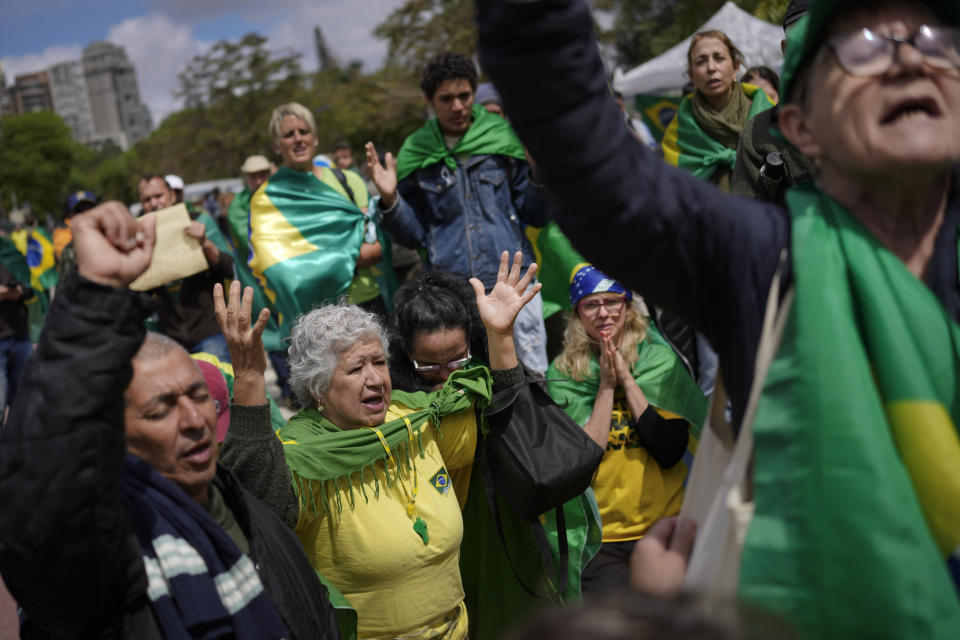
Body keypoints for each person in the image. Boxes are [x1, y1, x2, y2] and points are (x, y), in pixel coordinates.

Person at [478, 0, 960, 635]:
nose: (908, 61)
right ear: (800, 127)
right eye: (865, 47)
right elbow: (590, 158)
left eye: (933, 39)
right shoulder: (764, 260)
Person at [0, 202, 339, 639]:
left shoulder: (241, 504)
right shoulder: (107, 554)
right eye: (160, 409)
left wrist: (251, 377)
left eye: (199, 396)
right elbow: (35, 499)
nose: (194, 419)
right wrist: (94, 298)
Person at [221, 251, 547, 639]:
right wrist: (249, 379)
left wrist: (499, 335)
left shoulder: (414, 419)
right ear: (318, 388)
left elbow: (508, 420)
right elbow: (258, 496)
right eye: (356, 368)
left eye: (379, 362)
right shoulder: (299, 456)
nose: (376, 378)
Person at [365, 52, 552, 374]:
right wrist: (390, 198)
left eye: (464, 96)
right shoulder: (416, 152)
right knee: (468, 380)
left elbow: (535, 214)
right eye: (446, 98)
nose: (457, 106)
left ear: (474, 92)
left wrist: (539, 170)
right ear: (428, 100)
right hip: (452, 294)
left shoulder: (503, 137)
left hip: (512, 286)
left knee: (532, 377)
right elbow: (413, 236)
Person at [546, 265, 707, 594]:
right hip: (600, 539)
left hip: (662, 528)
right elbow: (581, 466)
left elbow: (669, 451)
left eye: (612, 301)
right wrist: (606, 386)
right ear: (577, 313)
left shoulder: (658, 361)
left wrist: (628, 381)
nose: (603, 313)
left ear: (628, 306)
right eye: (591, 304)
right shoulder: (563, 374)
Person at [249, 102, 390, 337]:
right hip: (313, 319)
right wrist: (346, 251)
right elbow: (276, 269)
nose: (298, 139)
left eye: (303, 132)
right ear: (276, 145)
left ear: (315, 138)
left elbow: (374, 251)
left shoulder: (349, 181)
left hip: (364, 302)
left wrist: (312, 260)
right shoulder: (266, 199)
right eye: (288, 134)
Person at [660, 29, 773, 192]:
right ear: (691, 76)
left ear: (735, 67)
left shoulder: (768, 114)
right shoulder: (680, 133)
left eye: (719, 58)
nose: (711, 68)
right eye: (701, 61)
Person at [138, 173, 236, 362]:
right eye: (147, 199)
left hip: (209, 333)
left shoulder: (200, 220)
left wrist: (205, 242)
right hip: (170, 339)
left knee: (221, 389)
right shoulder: (140, 236)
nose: (153, 203)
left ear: (172, 196)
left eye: (158, 196)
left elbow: (229, 268)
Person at [731, 0, 816, 203]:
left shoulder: (878, 115)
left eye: (829, 34)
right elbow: (749, 219)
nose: (817, 47)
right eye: (806, 36)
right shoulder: (759, 132)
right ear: (786, 49)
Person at [0, 236, 33, 421]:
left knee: (23, 404)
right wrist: (6, 293)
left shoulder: (13, 255)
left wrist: (20, 291)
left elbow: (29, 288)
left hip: (21, 338)